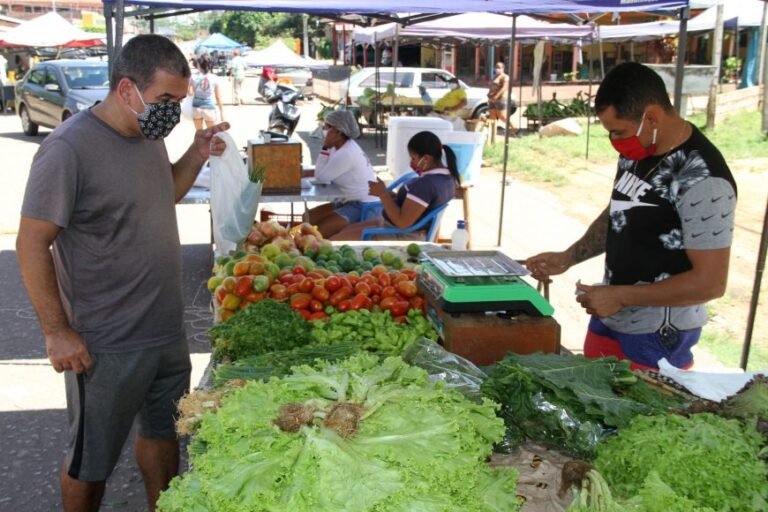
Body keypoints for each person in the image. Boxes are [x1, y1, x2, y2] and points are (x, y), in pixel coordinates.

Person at [15, 34, 228, 512]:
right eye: (165, 99)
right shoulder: (68, 149)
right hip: (106, 341)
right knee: (91, 462)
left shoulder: (148, 134)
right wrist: (57, 332)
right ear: (127, 89)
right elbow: (30, 242)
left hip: (165, 331)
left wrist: (195, 155)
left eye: (179, 101)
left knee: (163, 434)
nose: (172, 112)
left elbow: (162, 193)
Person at [525, 62, 737, 371]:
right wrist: (569, 256)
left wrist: (622, 296)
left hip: (657, 334)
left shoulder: (703, 179)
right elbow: (621, 210)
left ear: (651, 117)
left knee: (639, 403)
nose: (615, 142)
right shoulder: (638, 151)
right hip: (612, 316)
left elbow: (711, 283)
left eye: (619, 132)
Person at [333, 131, 460, 240]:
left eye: (413, 158)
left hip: (401, 234)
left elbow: (402, 222)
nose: (412, 163)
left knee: (337, 240)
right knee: (344, 231)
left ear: (426, 158)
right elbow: (415, 206)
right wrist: (391, 195)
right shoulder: (447, 178)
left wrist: (383, 194)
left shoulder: (426, 185)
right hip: (394, 226)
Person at [306, 110, 380, 238]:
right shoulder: (339, 146)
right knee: (307, 218)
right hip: (347, 200)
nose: (324, 130)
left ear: (338, 132)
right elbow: (322, 171)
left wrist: (325, 147)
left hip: (362, 205)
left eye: (327, 127)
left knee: (319, 232)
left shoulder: (346, 153)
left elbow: (320, 177)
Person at [188, 53, 224, 129]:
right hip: (209, 108)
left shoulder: (192, 77)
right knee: (211, 133)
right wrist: (222, 113)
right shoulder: (214, 78)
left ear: (199, 65)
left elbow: (190, 93)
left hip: (196, 107)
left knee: (199, 132)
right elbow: (218, 97)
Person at [487, 61, 515, 131]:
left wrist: (497, 96)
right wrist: (489, 94)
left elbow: (504, 88)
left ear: (503, 68)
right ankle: (492, 133)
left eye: (499, 67)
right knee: (492, 117)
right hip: (492, 99)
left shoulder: (505, 77)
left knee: (502, 116)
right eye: (496, 67)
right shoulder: (495, 77)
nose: (497, 69)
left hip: (501, 99)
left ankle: (515, 129)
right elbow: (491, 86)